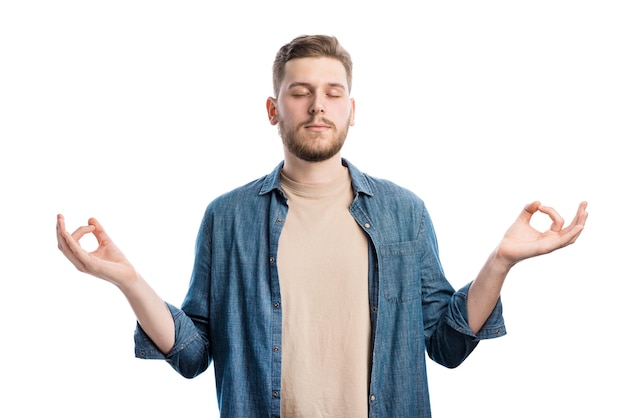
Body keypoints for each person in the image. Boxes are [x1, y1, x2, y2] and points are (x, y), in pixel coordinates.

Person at [56, 34, 588, 418]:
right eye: (300, 91)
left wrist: (500, 263)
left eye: (333, 93)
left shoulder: (404, 212)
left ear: (352, 109)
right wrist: (128, 280)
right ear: (273, 108)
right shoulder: (228, 218)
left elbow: (446, 344)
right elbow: (193, 353)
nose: (318, 106)